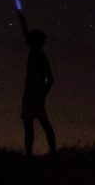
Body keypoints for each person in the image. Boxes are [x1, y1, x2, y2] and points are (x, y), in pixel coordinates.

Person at [18, 10, 57, 157]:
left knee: (40, 124)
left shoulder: (40, 56)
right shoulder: (36, 52)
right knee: (31, 125)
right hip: (31, 94)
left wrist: (42, 94)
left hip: (34, 95)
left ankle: (51, 152)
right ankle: (31, 154)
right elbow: (26, 34)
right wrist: (22, 21)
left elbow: (50, 78)